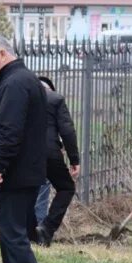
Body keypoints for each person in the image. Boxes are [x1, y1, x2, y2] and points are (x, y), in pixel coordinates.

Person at [0, 35, 47, 263]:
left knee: (13, 231)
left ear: (3, 54)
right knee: (10, 229)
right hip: (21, 170)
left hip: (16, 171)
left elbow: (11, 131)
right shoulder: (18, 79)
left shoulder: (15, 83)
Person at [31, 76, 80, 247]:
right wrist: (74, 159)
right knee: (66, 187)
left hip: (23, 154)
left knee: (26, 189)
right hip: (48, 153)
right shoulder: (55, 99)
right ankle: (46, 228)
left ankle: (27, 230)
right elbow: (67, 130)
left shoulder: (21, 98)